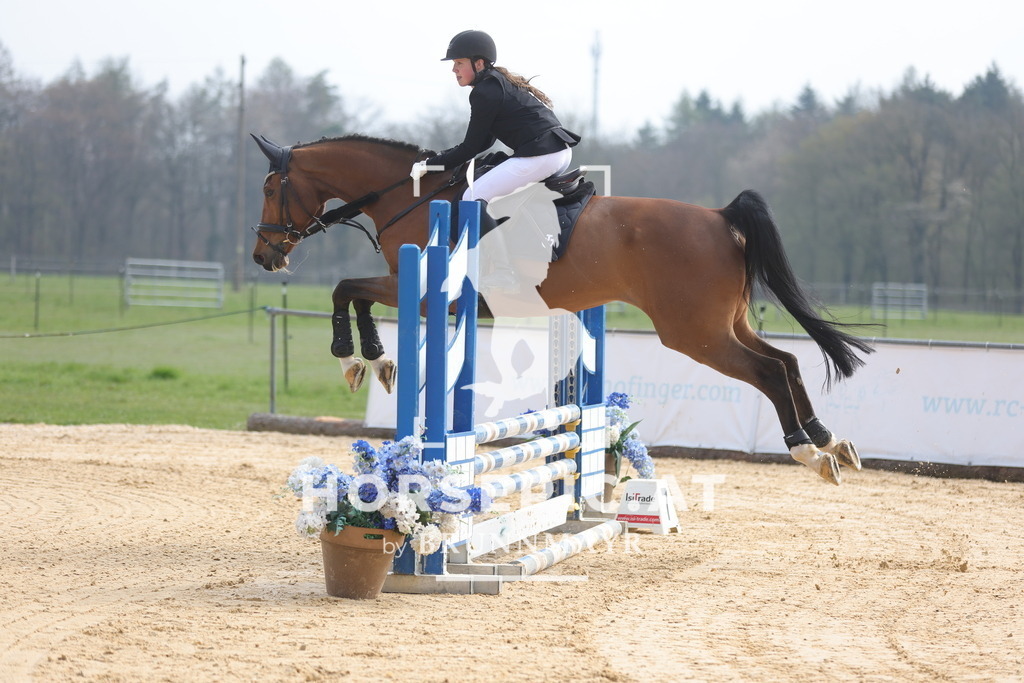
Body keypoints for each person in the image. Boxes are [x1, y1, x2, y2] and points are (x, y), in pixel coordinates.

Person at [412, 30, 581, 292]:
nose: (454, 70)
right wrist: (442, 157)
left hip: (542, 155)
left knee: (472, 197)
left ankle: (503, 272)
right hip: (556, 152)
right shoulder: (495, 84)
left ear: (478, 63)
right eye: (454, 64)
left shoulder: (485, 92)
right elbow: (483, 143)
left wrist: (431, 165)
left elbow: (471, 147)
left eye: (459, 63)